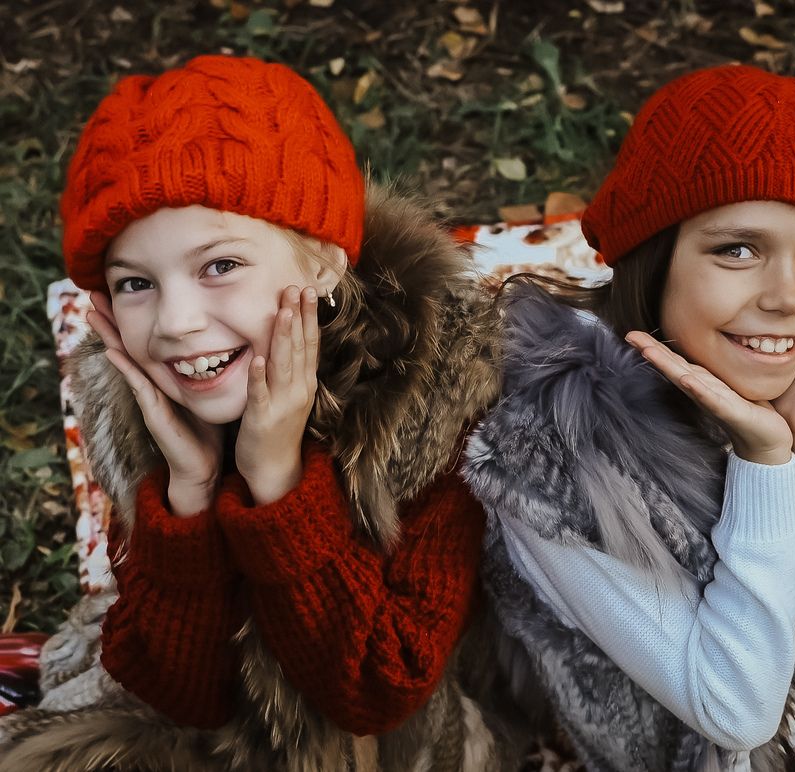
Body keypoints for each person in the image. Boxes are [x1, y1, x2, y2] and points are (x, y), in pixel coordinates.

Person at [0, 55, 519, 771]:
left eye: (220, 266)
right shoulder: (140, 402)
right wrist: (186, 494)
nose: (176, 323)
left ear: (323, 263)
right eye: (136, 283)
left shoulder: (430, 402)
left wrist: (279, 485)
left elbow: (377, 692)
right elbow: (179, 694)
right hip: (214, 729)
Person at [462, 64, 795, 771]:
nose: (788, 298)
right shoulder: (551, 453)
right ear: (655, 259)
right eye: (737, 249)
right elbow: (737, 714)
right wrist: (764, 462)